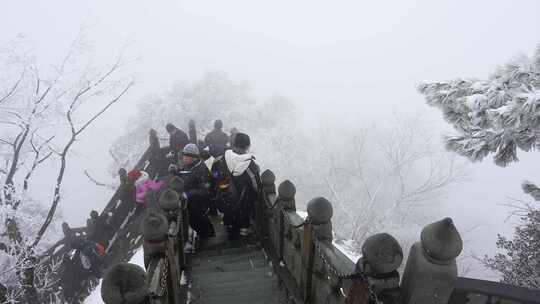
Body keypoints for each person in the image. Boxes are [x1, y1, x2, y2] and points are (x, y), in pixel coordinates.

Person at [215, 132, 262, 240]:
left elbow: (218, 176)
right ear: (247, 146)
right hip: (242, 203)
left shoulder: (224, 159)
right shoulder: (249, 163)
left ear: (234, 144)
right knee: (247, 197)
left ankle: (230, 227)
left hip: (226, 199)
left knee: (230, 219)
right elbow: (256, 185)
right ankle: (243, 230)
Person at [170, 143, 215, 239]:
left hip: (199, 203)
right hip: (191, 202)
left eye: (186, 156)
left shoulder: (202, 169)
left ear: (194, 157)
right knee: (193, 221)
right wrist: (176, 171)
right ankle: (205, 235)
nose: (183, 158)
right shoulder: (190, 166)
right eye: (183, 156)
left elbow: (204, 190)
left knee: (199, 220)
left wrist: (188, 194)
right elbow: (186, 174)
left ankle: (208, 236)